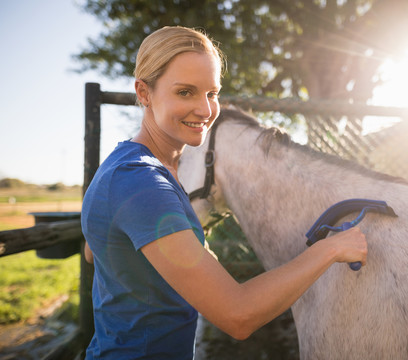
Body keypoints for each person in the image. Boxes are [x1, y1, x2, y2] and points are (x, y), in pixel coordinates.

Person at [81, 25, 368, 359]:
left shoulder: (128, 164)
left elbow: (93, 249)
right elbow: (238, 314)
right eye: (185, 92)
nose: (205, 110)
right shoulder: (142, 183)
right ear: (144, 93)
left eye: (211, 93)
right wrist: (330, 250)